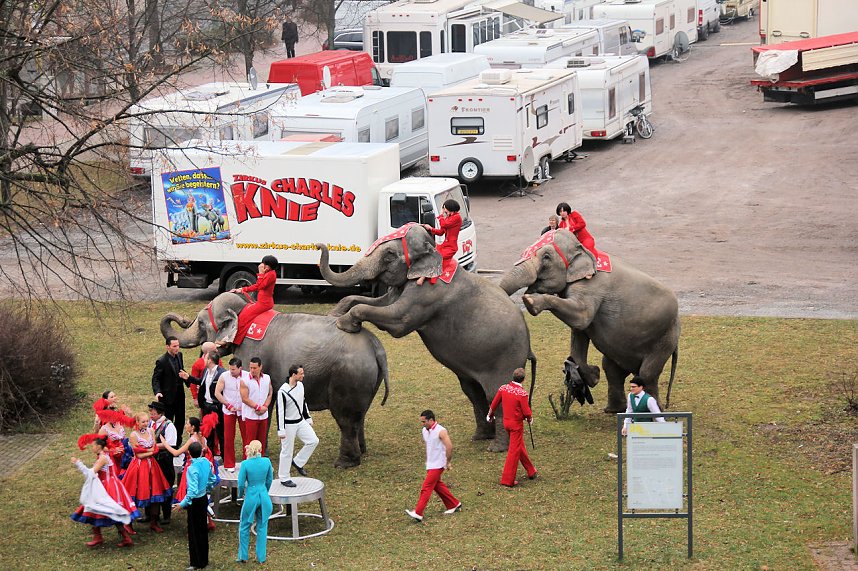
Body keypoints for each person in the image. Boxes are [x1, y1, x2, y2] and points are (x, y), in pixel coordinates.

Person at [70, 435, 139, 548]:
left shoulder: (102, 457)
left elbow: (90, 473)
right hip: (110, 484)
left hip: (107, 487)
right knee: (101, 510)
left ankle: (105, 537)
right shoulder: (104, 455)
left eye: (93, 445)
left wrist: (78, 463)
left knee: (99, 508)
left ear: (98, 446)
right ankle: (104, 536)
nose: (92, 447)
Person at [405, 410, 461, 522]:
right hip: (431, 464)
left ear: (431, 420)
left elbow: (449, 446)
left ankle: (418, 512)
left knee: (426, 487)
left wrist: (448, 462)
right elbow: (429, 446)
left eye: (424, 421)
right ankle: (454, 504)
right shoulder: (425, 431)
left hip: (439, 464)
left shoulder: (441, 431)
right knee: (437, 485)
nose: (422, 424)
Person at [122, 412, 173, 532]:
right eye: (143, 421)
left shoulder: (151, 430)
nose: (145, 423)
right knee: (135, 492)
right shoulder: (134, 435)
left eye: (146, 421)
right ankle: (128, 523)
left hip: (152, 466)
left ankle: (154, 522)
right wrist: (151, 452)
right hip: (139, 467)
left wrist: (150, 451)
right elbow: (139, 455)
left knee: (155, 492)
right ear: (137, 422)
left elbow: (154, 446)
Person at [487, 368, 537, 487]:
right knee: (514, 451)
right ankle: (507, 479)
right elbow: (526, 411)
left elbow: (494, 403)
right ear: (523, 379)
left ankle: (531, 470)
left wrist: (490, 414)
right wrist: (530, 418)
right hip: (516, 425)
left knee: (518, 446)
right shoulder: (522, 393)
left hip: (506, 423)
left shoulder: (503, 388)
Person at [174, 442, 217, 571]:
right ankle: (204, 559)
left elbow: (192, 491)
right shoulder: (205, 462)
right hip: (203, 498)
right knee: (202, 530)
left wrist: (182, 504)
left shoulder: (192, 469)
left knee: (194, 532)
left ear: (189, 454)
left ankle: (196, 562)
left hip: (196, 502)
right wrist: (207, 489)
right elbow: (212, 479)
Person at [276, 364, 319, 487]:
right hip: (289, 425)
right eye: (301, 373)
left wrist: (307, 417)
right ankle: (284, 477)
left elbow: (303, 401)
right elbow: (280, 412)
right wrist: (281, 430)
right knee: (286, 451)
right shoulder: (283, 391)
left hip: (300, 421)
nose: (303, 375)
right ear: (293, 375)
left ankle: (298, 462)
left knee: (313, 441)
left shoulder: (300, 385)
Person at [226, 256, 278, 346]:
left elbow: (260, 286)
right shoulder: (269, 273)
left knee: (243, 317)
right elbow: (256, 286)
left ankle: (235, 340)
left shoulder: (271, 275)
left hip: (264, 303)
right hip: (262, 302)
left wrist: (261, 274)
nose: (261, 265)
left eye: (263, 264)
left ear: (268, 266)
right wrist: (242, 289)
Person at [237, 440, 274, 564]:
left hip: (251, 496)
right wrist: (265, 491)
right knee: (262, 526)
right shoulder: (266, 461)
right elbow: (269, 480)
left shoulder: (245, 464)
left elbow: (241, 483)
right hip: (263, 495)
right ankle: (261, 557)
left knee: (244, 526)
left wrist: (240, 494)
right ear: (260, 449)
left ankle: (243, 556)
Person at [152, 336, 193, 445]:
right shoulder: (162, 361)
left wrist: (187, 379)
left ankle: (177, 443)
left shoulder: (179, 355)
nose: (177, 348)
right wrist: (158, 391)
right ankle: (167, 443)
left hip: (179, 395)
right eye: (174, 346)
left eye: (178, 346)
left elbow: (181, 369)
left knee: (180, 420)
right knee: (168, 421)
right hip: (167, 397)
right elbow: (156, 378)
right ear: (167, 347)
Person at [417, 199, 462, 286]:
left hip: (450, 247)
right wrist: (430, 228)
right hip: (445, 245)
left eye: (445, 208)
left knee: (436, 258)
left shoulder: (457, 217)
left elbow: (444, 225)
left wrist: (441, 214)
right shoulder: (449, 218)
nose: (444, 210)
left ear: (449, 208)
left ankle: (423, 277)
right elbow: (441, 232)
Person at [191, 350, 227, 457]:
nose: (203, 359)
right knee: (208, 433)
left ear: (210, 360)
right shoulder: (206, 370)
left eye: (205, 358)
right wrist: (188, 378)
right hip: (206, 406)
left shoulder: (222, 373)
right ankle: (209, 456)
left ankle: (225, 459)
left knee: (221, 433)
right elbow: (201, 381)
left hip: (216, 407)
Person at [215, 357, 248, 472]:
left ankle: (247, 462)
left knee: (246, 436)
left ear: (240, 368)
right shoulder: (224, 376)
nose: (231, 371)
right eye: (230, 369)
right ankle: (229, 464)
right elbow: (217, 393)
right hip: (229, 410)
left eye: (233, 369)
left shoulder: (247, 376)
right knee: (228, 437)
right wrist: (227, 404)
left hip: (243, 410)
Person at [149, 401, 178, 525]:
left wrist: (152, 445)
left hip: (164, 461)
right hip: (152, 460)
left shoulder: (169, 425)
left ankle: (166, 515)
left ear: (160, 413)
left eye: (153, 412)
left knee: (165, 485)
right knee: (150, 485)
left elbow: (170, 444)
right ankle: (151, 514)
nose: (150, 414)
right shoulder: (151, 423)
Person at [240, 357, 272, 452]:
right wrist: (257, 407)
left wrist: (265, 406)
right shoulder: (245, 380)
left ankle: (260, 463)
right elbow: (244, 398)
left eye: (255, 368)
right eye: (251, 368)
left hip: (263, 415)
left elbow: (270, 393)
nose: (252, 370)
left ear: (260, 367)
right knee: (250, 443)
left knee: (261, 442)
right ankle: (249, 463)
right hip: (251, 415)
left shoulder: (267, 378)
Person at [189, 342, 219, 410]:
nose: (217, 351)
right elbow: (193, 382)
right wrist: (195, 398)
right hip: (204, 396)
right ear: (208, 352)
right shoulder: (197, 364)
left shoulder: (217, 360)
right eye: (214, 350)